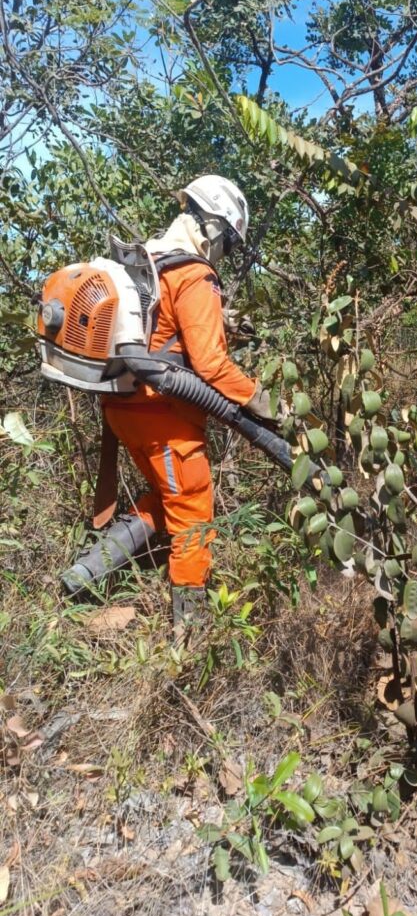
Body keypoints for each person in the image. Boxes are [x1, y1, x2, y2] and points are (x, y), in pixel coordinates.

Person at [99, 175, 271, 632]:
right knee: (193, 510)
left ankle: (85, 575)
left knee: (165, 499)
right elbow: (211, 365)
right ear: (215, 229)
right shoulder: (193, 272)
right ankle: (187, 635)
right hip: (164, 418)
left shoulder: (148, 261)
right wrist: (266, 403)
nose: (225, 255)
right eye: (229, 244)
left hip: (122, 411)